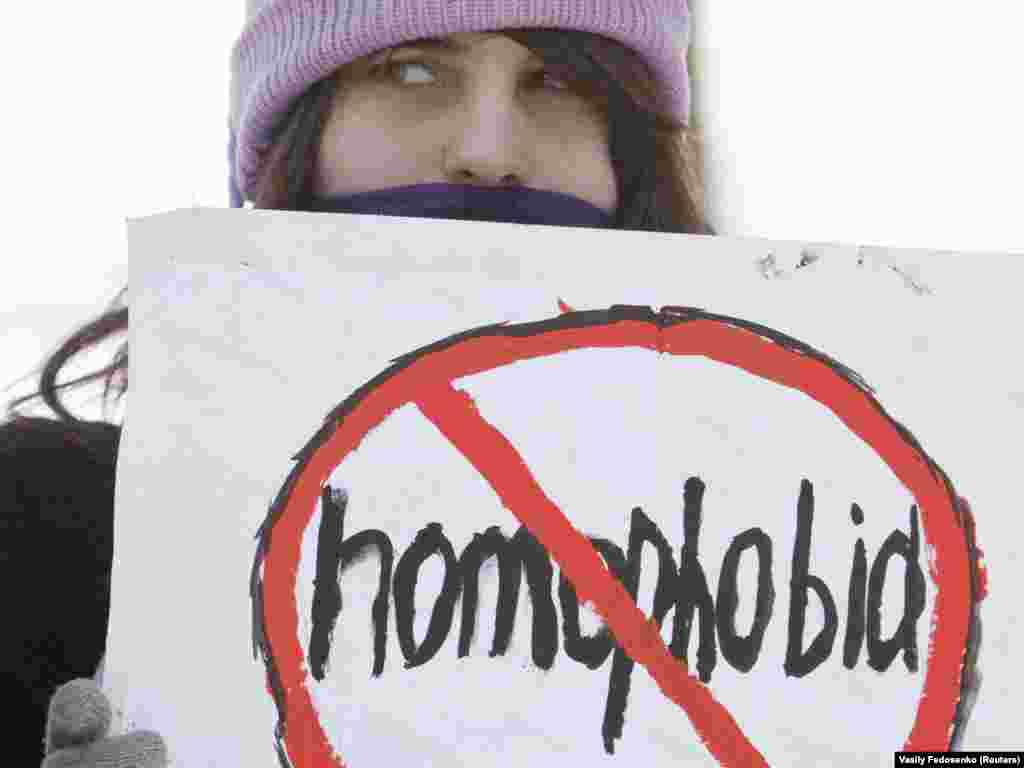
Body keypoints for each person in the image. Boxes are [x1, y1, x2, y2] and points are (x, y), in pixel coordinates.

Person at [2, 1, 712, 766]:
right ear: (301, 137)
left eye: (561, 80)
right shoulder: (36, 530)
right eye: (411, 69)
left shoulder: (801, 561)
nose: (487, 150)